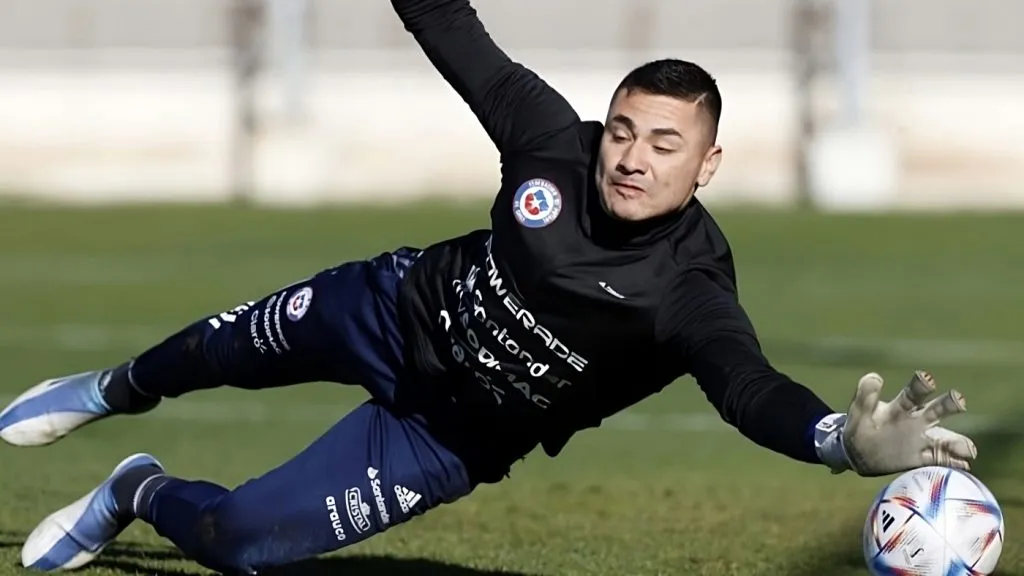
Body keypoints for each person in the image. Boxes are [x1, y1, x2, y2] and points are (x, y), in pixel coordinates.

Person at [2, 0, 978, 573]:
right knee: (212, 350)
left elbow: (745, 385)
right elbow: (444, 20)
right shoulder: (551, 138)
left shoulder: (689, 289)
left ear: (708, 165)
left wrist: (836, 443)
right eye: (624, 130)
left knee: (242, 542)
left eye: (665, 144)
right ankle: (106, 390)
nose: (632, 158)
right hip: (391, 309)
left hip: (445, 437)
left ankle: (133, 488)